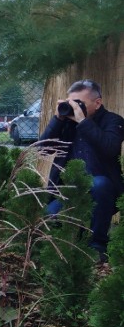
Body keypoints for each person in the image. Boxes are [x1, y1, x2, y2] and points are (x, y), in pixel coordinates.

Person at [40, 79, 124, 262]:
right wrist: (58, 119)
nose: (75, 108)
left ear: (98, 103)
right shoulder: (66, 123)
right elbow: (43, 149)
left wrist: (83, 121)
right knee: (45, 219)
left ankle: (98, 246)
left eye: (80, 103)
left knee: (99, 183)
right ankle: (71, 245)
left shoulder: (113, 121)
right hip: (67, 191)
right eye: (72, 103)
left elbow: (110, 148)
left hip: (103, 193)